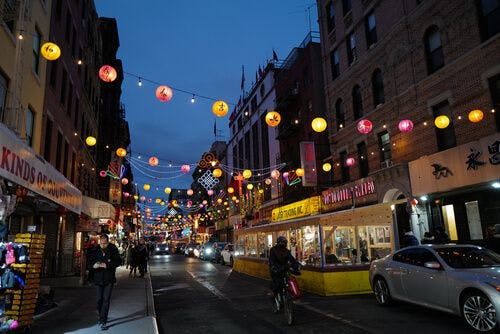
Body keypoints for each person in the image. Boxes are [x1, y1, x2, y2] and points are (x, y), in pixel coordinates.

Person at [90, 234, 122, 330]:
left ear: (108, 242)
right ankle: (101, 316)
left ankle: (103, 321)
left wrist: (107, 265)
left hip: (109, 279)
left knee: (106, 300)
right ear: (100, 242)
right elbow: (90, 262)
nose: (103, 245)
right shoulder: (95, 249)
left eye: (105, 243)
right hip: (98, 278)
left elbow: (118, 261)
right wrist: (93, 266)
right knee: (99, 300)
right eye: (101, 243)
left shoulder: (113, 249)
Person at [268, 236, 300, 311]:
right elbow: (272, 261)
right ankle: (274, 297)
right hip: (276, 270)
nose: (283, 244)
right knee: (276, 285)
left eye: (284, 243)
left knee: (289, 281)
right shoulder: (273, 250)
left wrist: (297, 266)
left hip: (284, 270)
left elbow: (292, 260)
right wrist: (274, 268)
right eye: (282, 242)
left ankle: (287, 297)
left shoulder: (287, 251)